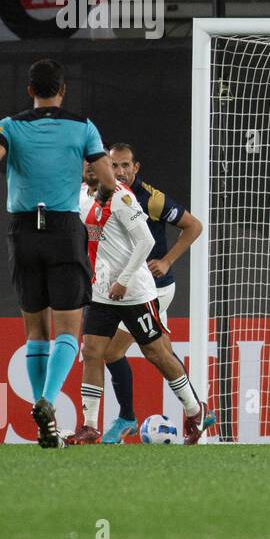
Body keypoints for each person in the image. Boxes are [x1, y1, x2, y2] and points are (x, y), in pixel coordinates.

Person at [0, 59, 117, 450]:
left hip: (22, 230)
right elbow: (108, 179)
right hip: (62, 229)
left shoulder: (7, 125)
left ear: (29, 91)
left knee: (35, 329)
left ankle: (48, 425)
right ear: (63, 89)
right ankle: (48, 401)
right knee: (69, 330)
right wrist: (102, 195)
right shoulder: (83, 126)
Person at [68, 163, 213, 445]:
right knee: (92, 351)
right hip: (102, 293)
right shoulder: (82, 194)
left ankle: (195, 410)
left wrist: (123, 280)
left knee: (157, 353)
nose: (88, 171)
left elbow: (145, 241)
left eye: (93, 166)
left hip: (134, 292)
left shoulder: (122, 198)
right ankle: (89, 426)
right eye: (84, 166)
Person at [95, 142, 203, 443]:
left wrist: (167, 260)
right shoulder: (104, 195)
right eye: (114, 166)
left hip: (150, 289)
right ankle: (197, 410)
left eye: (125, 165)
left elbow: (193, 226)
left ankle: (127, 416)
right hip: (127, 288)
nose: (120, 172)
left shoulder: (151, 199)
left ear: (136, 167)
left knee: (111, 351)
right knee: (160, 352)